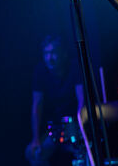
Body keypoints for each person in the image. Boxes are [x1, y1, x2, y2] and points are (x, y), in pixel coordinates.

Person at [26, 36, 84, 166]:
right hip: (54, 128)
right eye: (46, 53)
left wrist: (81, 129)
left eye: (53, 53)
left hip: (75, 124)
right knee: (33, 153)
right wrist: (36, 138)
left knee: (81, 153)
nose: (49, 58)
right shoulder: (40, 71)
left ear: (63, 53)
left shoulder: (74, 67)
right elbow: (37, 105)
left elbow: (82, 101)